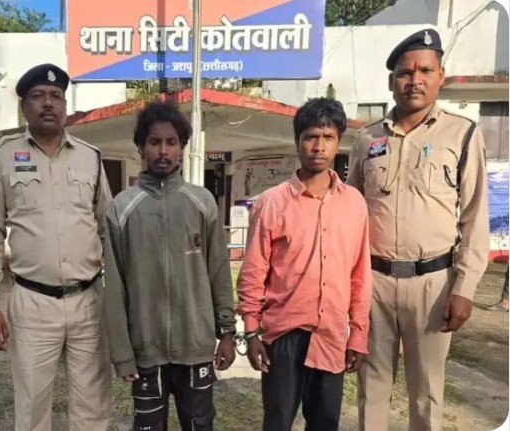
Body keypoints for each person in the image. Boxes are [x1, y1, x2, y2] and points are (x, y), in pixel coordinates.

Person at [347, 29, 490, 430]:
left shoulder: (462, 134)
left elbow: (475, 216)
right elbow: (350, 213)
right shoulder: (367, 138)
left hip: (432, 284)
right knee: (371, 391)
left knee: (426, 395)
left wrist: (464, 288)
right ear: (391, 80)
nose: (415, 80)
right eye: (405, 72)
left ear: (440, 76)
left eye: (425, 70)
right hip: (374, 283)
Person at [0, 63, 112, 431]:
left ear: (65, 105)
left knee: (93, 406)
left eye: (56, 96)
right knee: (32, 409)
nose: (48, 103)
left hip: (88, 301)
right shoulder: (2, 157)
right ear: (24, 107)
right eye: (38, 96)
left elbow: (107, 230)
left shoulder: (90, 157)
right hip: (33, 304)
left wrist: (117, 298)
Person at [237, 97, 372, 431]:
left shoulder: (354, 204)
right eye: (311, 136)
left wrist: (358, 334)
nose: (319, 147)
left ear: (338, 142)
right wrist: (251, 332)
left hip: (331, 334)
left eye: (328, 138)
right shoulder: (271, 203)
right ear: (297, 141)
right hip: (284, 335)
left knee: (325, 422)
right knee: (278, 421)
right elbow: (253, 272)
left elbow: (360, 275)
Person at [102, 101, 237, 431]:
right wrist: (122, 353)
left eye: (171, 142)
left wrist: (227, 333)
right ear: (141, 148)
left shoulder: (202, 203)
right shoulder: (122, 209)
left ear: (181, 148)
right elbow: (114, 288)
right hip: (146, 352)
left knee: (200, 424)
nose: (163, 150)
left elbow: (219, 272)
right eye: (154, 142)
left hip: (196, 348)